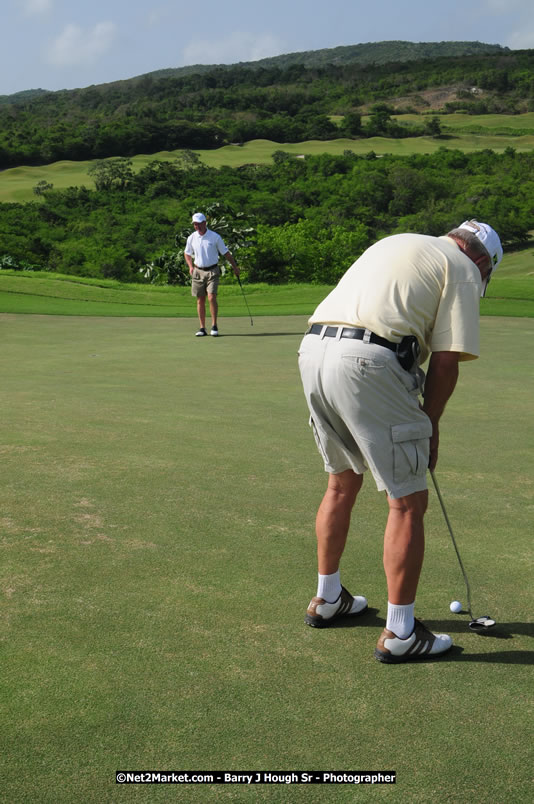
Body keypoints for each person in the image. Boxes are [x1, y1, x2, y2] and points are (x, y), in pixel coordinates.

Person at [298, 220, 503, 663]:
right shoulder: (464, 268)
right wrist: (429, 425)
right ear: (483, 261)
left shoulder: (400, 241)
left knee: (340, 482)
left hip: (313, 351)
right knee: (408, 502)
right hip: (369, 361)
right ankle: (401, 633)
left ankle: (328, 598)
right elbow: (447, 362)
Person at [184, 213, 240, 336]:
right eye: (195, 224)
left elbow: (226, 253)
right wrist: (190, 266)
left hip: (212, 271)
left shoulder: (215, 237)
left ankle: (214, 326)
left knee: (211, 297)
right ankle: (202, 328)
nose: (196, 226)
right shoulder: (192, 238)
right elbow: (187, 253)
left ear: (205, 223)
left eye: (198, 223)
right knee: (200, 300)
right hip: (197, 271)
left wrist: (235, 267)